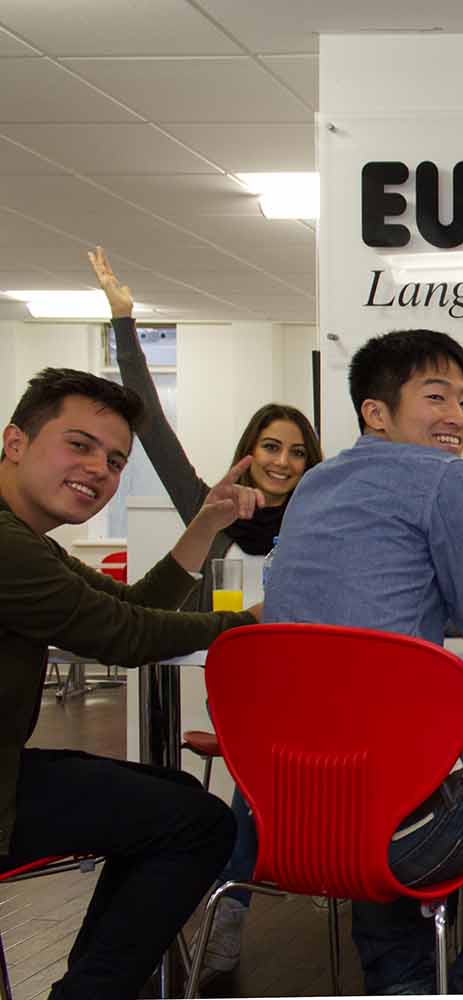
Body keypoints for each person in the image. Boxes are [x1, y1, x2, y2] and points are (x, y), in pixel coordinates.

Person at [262, 327, 463, 994]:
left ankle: (401, 987)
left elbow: (377, 594)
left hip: (298, 811)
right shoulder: (443, 477)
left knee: (381, 792)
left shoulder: (315, 484)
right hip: (404, 816)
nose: (457, 418)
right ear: (375, 412)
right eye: (437, 396)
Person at [90, 245, 324, 979]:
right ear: (249, 452)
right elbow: (150, 421)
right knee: (245, 786)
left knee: (252, 790)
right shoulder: (209, 506)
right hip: (239, 693)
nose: (282, 461)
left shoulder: (325, 519)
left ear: (311, 461)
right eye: (269, 446)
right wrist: (126, 323)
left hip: (310, 695)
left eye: (295, 450)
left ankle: (231, 905)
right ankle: (224, 909)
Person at [0, 367, 262, 999]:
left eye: (115, 460)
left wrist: (205, 522)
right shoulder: (7, 546)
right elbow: (126, 635)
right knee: (195, 823)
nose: (99, 469)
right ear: (14, 443)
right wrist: (244, 623)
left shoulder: (28, 540)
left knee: (172, 801)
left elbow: (134, 605)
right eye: (79, 445)